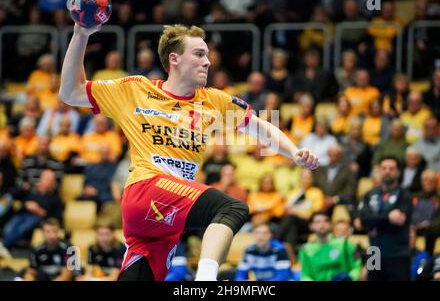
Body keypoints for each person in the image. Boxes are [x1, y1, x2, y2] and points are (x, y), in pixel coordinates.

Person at [59, 23, 319, 281]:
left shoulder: (213, 100)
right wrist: (81, 34)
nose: (207, 62)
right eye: (199, 54)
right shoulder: (136, 90)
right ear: (174, 58)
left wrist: (294, 153)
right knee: (232, 207)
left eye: (207, 55)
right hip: (145, 188)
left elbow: (260, 126)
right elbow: (70, 92)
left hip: (167, 218)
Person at [357, 156, 413, 281]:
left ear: (398, 172)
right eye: (384, 168)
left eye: (391, 168)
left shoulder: (405, 195)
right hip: (374, 253)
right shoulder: (370, 194)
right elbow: (363, 220)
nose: (387, 171)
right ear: (379, 171)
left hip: (398, 253)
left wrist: (375, 221)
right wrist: (388, 217)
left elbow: (399, 220)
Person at [298, 212, 362, 281]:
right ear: (311, 226)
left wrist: (350, 277)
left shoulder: (344, 244)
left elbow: (357, 267)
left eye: (326, 221)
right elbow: (305, 275)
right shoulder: (306, 250)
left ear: (330, 224)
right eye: (318, 222)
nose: (322, 225)